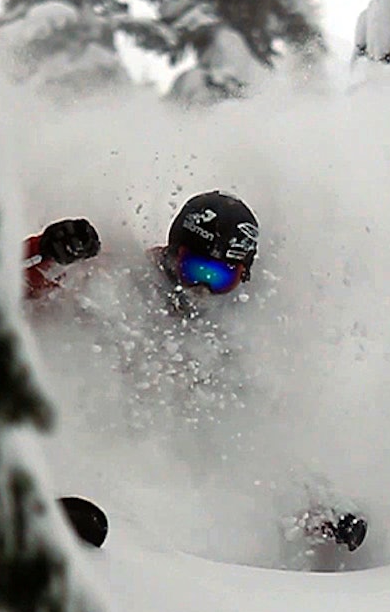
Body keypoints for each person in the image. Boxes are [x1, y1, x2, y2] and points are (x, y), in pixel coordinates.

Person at [24, 191, 367, 554]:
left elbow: (249, 442)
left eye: (220, 278)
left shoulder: (228, 344)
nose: (202, 289)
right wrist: (50, 253)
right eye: (195, 271)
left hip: (147, 483)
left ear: (243, 277)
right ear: (173, 253)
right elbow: (8, 287)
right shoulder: (120, 280)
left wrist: (316, 508)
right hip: (72, 430)